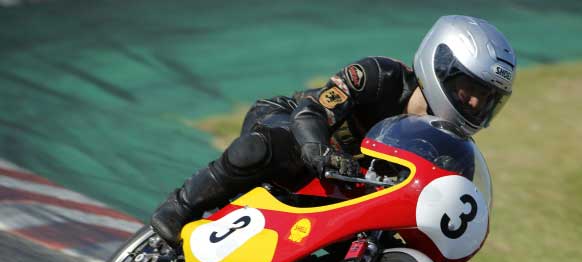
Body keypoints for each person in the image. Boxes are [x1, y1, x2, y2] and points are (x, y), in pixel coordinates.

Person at [151, 15, 516, 247]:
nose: (474, 103)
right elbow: (312, 110)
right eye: (470, 89)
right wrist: (318, 150)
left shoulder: (452, 153)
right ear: (442, 68)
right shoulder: (379, 76)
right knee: (265, 147)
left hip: (343, 189)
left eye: (487, 98)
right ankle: (180, 206)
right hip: (292, 126)